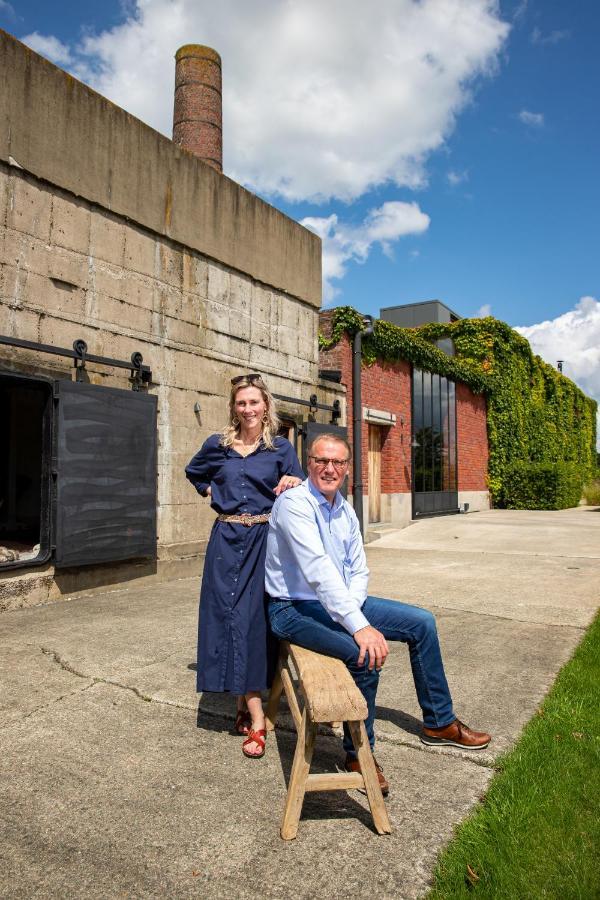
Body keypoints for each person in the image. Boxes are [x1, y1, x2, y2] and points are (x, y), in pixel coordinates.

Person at [265, 433, 491, 794]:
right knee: (364, 653)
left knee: (422, 623)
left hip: (339, 602)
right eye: (322, 460)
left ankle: (439, 723)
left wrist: (355, 615)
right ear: (309, 463)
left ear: (348, 468)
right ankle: (358, 752)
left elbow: (359, 568)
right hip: (293, 608)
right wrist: (360, 628)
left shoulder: (344, 508)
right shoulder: (294, 505)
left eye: (338, 462)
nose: (329, 468)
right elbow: (319, 571)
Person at [185, 374, 303, 759]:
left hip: (265, 543)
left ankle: (251, 711)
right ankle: (252, 713)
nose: (248, 409)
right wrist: (211, 492)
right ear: (233, 408)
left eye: (254, 402)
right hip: (225, 540)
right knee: (226, 618)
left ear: (265, 406)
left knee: (252, 623)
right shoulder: (217, 446)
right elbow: (194, 472)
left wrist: (291, 480)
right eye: (241, 403)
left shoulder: (281, 448)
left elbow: (299, 484)